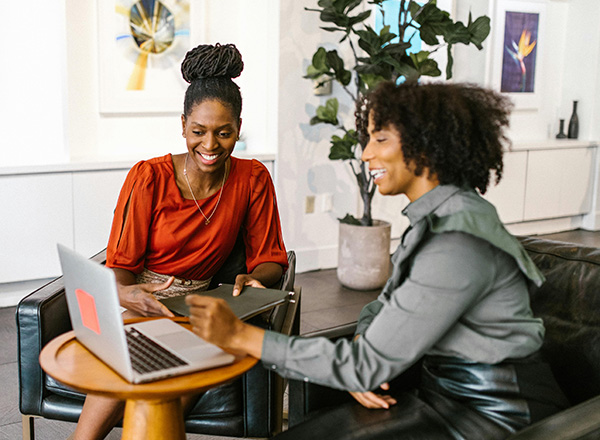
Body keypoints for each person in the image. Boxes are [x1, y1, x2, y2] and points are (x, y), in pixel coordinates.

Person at [186, 81, 569, 439]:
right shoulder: (438, 218)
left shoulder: (456, 241)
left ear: (426, 145)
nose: (367, 153)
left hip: (497, 416)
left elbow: (365, 364)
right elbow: (383, 306)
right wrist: (361, 341)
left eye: (380, 139)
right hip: (443, 393)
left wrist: (240, 335)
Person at [71, 43, 288, 440]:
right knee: (129, 353)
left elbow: (270, 256)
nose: (210, 146)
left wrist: (257, 279)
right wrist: (128, 293)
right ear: (183, 124)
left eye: (224, 133)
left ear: (239, 127)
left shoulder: (253, 178)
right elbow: (120, 265)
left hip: (204, 307)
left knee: (161, 404)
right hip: (146, 300)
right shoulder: (148, 177)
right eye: (198, 132)